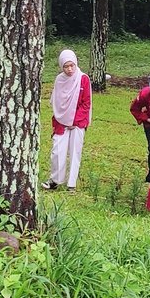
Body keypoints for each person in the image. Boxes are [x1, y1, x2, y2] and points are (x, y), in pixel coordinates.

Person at [44, 48, 91, 192]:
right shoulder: (60, 80)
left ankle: (72, 184)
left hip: (77, 122)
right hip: (61, 121)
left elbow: (86, 103)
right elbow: (57, 102)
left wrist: (74, 121)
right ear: (61, 66)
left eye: (72, 65)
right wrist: (65, 120)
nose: (70, 69)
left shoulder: (83, 79)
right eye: (66, 66)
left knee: (75, 151)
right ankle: (56, 180)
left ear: (76, 64)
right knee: (57, 151)